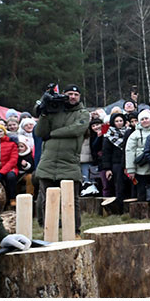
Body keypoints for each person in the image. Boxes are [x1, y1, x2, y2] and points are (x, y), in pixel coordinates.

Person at [35, 85, 90, 232]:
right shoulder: (53, 110)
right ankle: (48, 230)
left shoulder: (83, 113)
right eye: (69, 94)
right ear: (64, 95)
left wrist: (52, 134)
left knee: (71, 200)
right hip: (48, 161)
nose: (72, 97)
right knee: (47, 199)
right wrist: (44, 114)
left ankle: (74, 230)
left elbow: (76, 129)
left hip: (69, 163)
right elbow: (40, 132)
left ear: (79, 97)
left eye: (76, 94)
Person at [103, 113, 132, 212]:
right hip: (116, 163)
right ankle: (120, 209)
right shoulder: (108, 134)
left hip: (128, 162)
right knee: (119, 186)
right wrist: (107, 168)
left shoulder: (128, 132)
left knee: (130, 184)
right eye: (116, 121)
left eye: (121, 121)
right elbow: (106, 153)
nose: (119, 123)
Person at [124, 110, 150, 201]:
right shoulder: (135, 135)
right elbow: (129, 152)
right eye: (142, 119)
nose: (144, 121)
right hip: (141, 169)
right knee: (141, 192)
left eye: (146, 118)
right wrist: (131, 169)